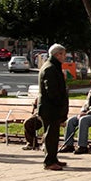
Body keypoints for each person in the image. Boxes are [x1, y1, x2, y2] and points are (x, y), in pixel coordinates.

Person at [38, 43, 70, 171]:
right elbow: (52, 90)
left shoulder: (53, 67)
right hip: (50, 108)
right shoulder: (50, 68)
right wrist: (59, 104)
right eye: (63, 54)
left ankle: (53, 158)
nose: (65, 56)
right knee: (51, 135)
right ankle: (49, 161)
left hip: (51, 107)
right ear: (57, 54)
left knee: (53, 135)